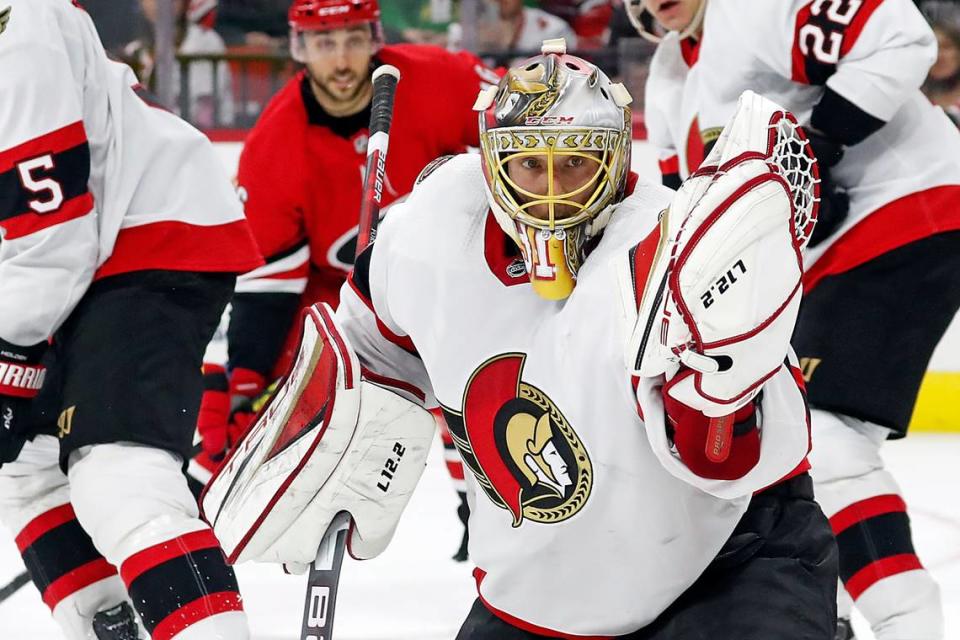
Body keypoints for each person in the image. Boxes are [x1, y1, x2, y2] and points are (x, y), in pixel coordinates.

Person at [324, 42, 838, 638]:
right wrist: (337, 432)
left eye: (575, 163)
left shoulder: (674, 250)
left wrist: (717, 395)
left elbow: (722, 461)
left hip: (728, 561)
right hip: (544, 589)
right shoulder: (433, 225)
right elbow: (368, 344)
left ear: (616, 162)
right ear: (493, 162)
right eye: (529, 164)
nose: (551, 190)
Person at [629, 0, 960, 637]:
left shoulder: (751, 9)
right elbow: (689, 200)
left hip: (905, 210)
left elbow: (900, 36)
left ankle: (907, 622)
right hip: (820, 261)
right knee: (796, 444)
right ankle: (828, 617)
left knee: (820, 435)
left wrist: (822, 143)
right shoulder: (672, 72)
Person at [191, 0, 499, 559]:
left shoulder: (441, 78)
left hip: (454, 274)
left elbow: (528, 122)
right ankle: (194, 512)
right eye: (324, 42)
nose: (341, 58)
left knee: (480, 378)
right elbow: (268, 289)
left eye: (353, 39)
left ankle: (485, 511)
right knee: (239, 392)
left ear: (374, 38)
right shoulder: (273, 145)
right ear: (299, 47)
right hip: (337, 299)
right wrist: (252, 380)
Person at [0, 1, 263, 638]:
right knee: (25, 468)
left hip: (146, 227)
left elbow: (50, 232)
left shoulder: (18, 23)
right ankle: (105, 623)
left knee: (117, 469)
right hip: (67, 258)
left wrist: (8, 359)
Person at [123, 0, 236, 128]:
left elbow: (203, 111)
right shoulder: (134, 50)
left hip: (200, 135)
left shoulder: (206, 43)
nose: (159, 3)